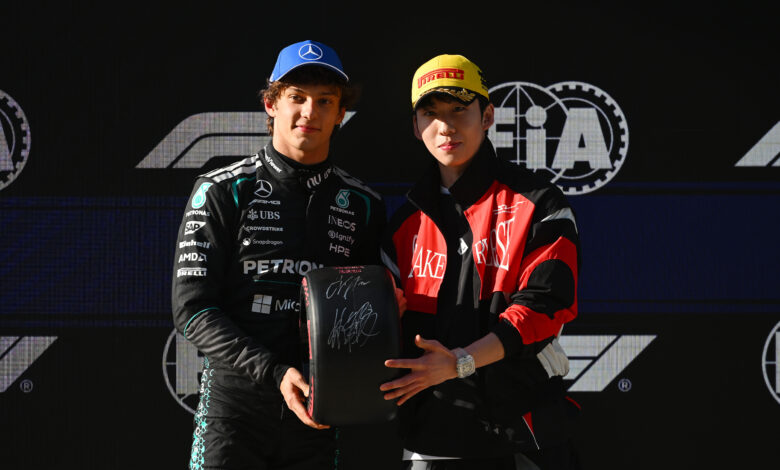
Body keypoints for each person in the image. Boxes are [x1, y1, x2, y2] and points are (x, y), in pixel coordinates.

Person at [172, 39, 399, 470]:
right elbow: (192, 310)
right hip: (233, 411)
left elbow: (372, 313)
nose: (309, 112)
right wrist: (275, 373)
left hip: (320, 412)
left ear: (341, 114)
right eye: (296, 98)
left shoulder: (363, 204)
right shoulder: (221, 190)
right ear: (270, 104)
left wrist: (390, 305)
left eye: (324, 101)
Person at [379, 54, 582, 469]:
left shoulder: (538, 202)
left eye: (459, 109)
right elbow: (382, 333)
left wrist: (460, 362)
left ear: (487, 115)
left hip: (525, 433)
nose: (446, 126)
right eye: (431, 114)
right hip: (432, 437)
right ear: (416, 128)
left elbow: (546, 305)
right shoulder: (403, 225)